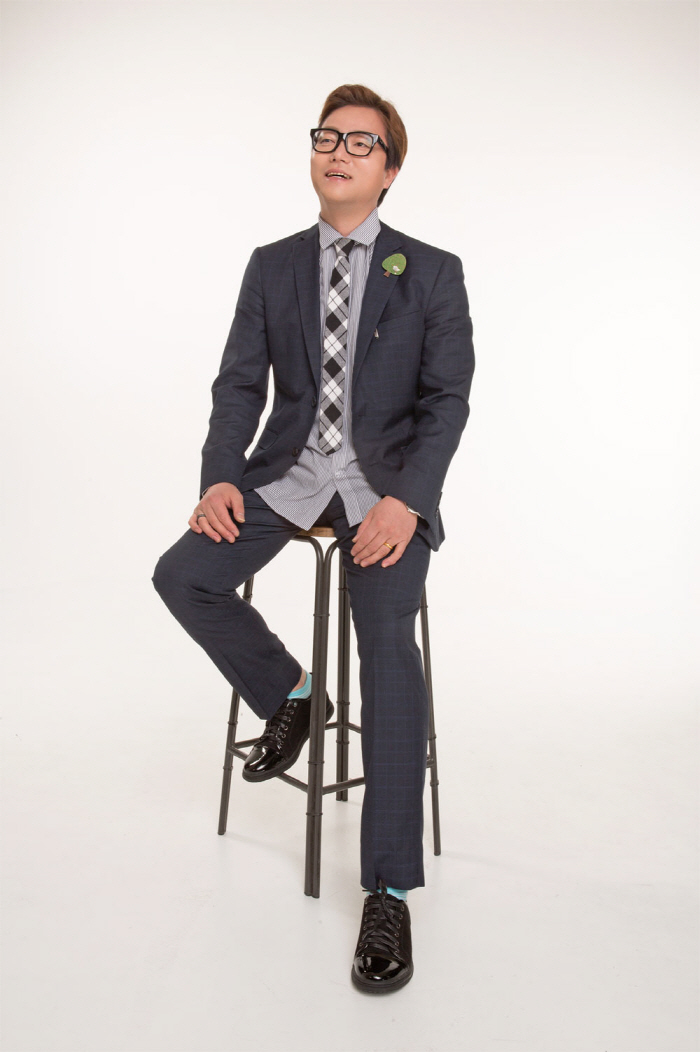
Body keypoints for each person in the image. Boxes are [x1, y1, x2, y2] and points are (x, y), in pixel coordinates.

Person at [152, 82, 475, 993]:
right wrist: (221, 475)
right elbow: (238, 386)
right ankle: (293, 694)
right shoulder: (272, 265)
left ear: (390, 170)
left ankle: (388, 891)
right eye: (327, 137)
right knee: (183, 575)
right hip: (287, 476)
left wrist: (408, 501)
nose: (338, 152)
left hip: (384, 492)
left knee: (388, 649)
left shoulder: (432, 271)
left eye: (360, 143)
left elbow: (447, 402)